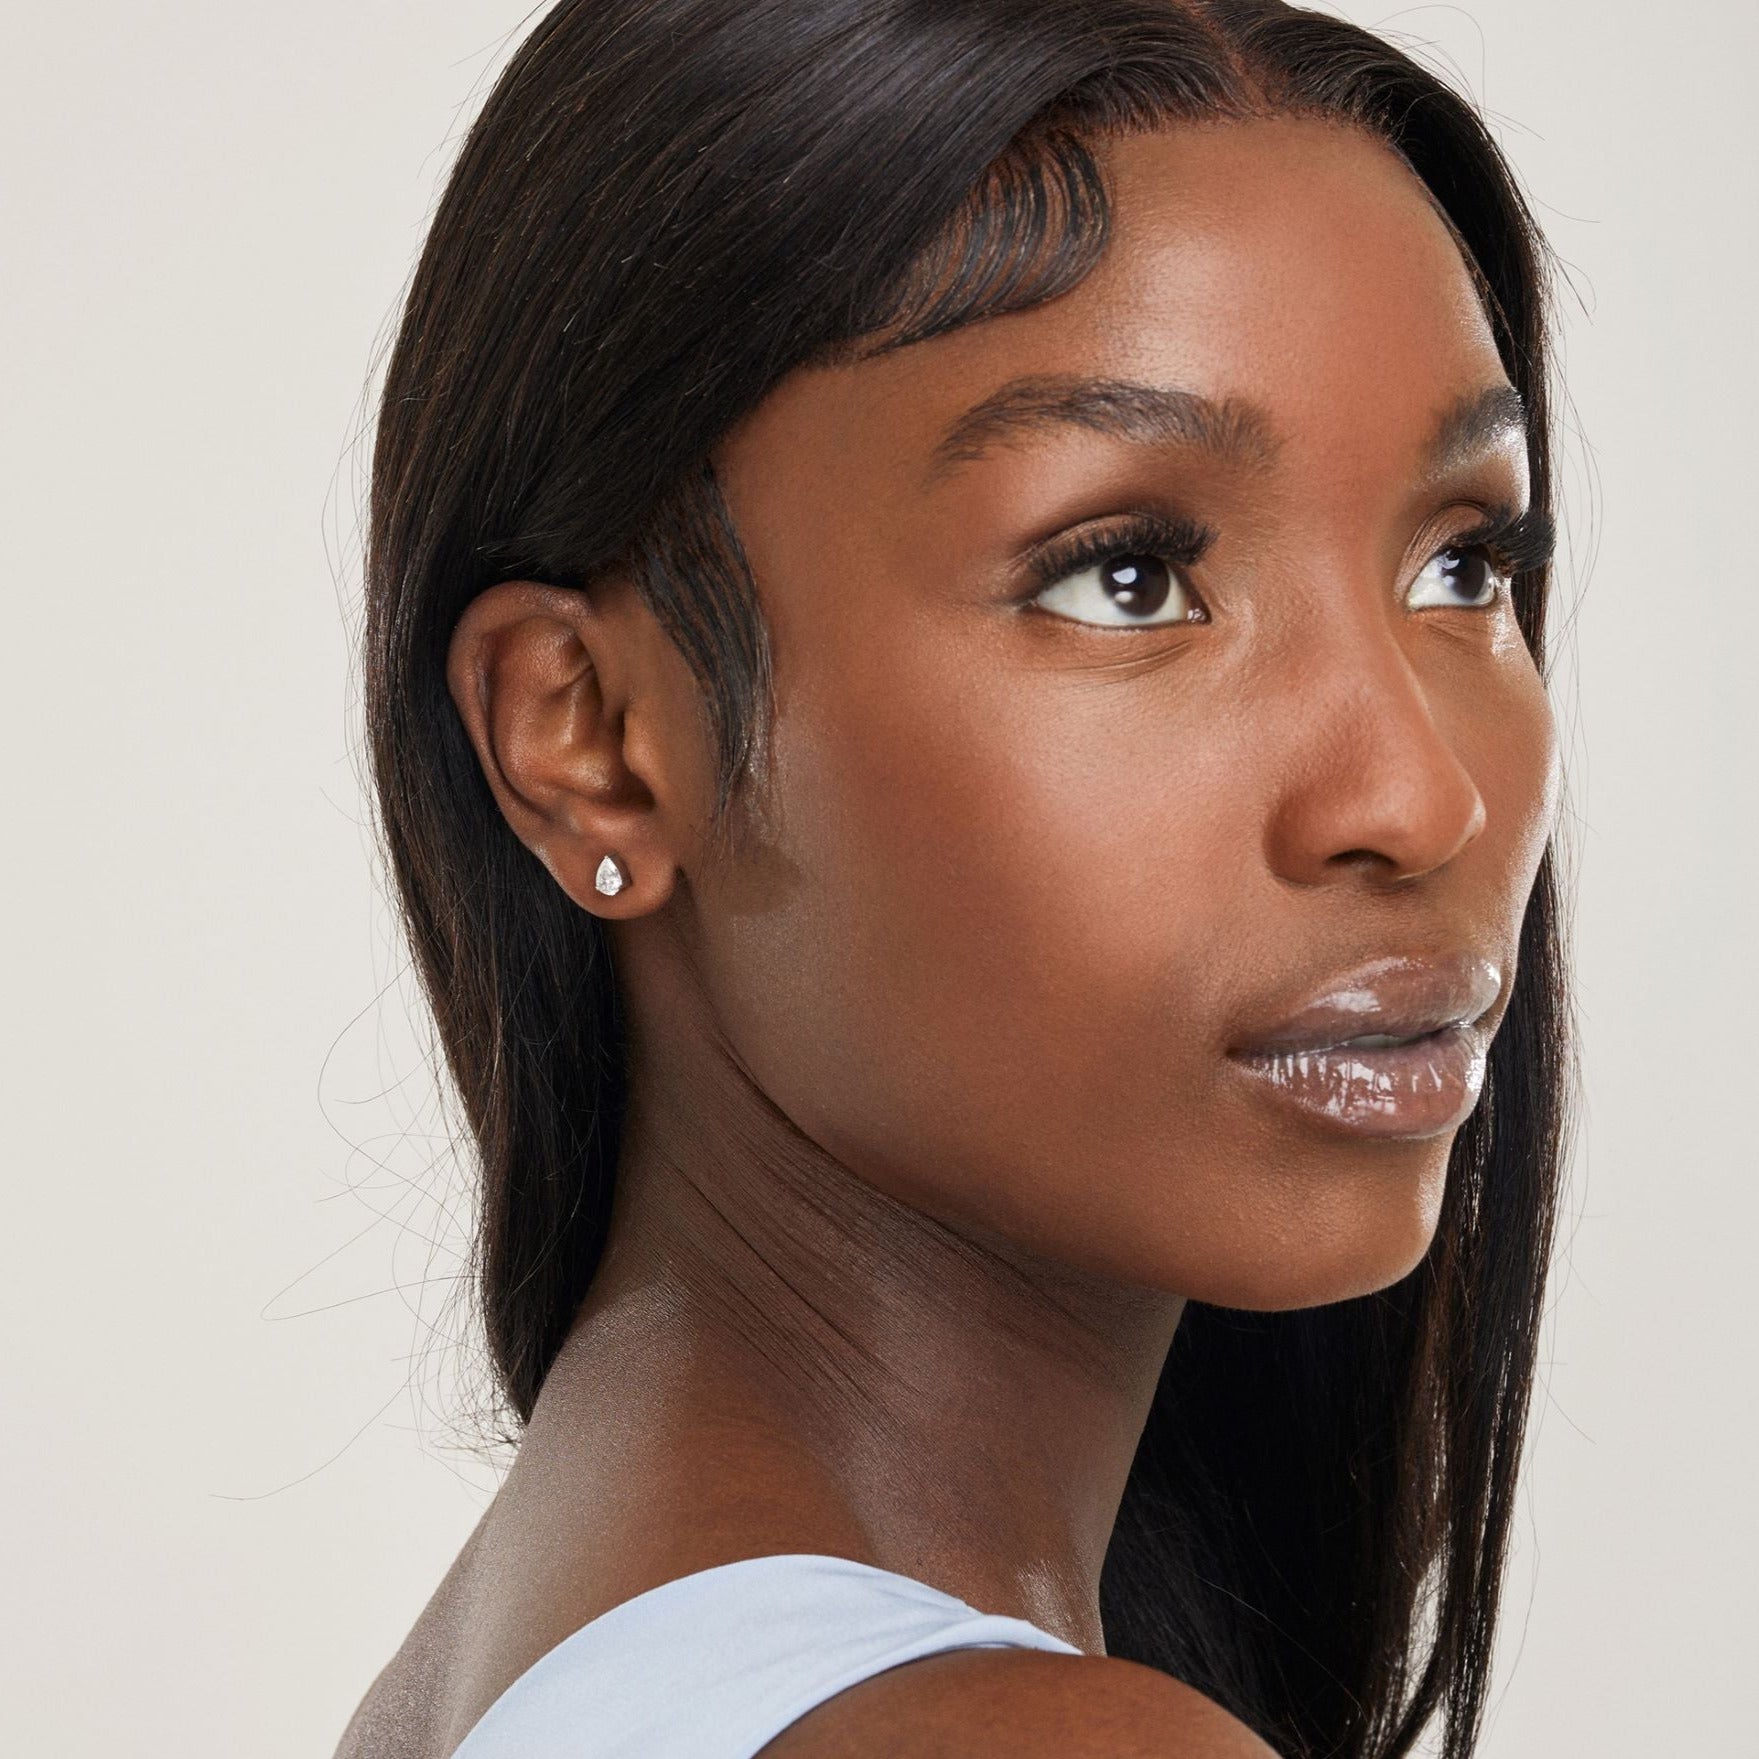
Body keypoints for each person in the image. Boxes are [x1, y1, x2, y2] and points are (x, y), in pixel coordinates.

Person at [335, 1, 1574, 1754]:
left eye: (1464, 563)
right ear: (591, 733)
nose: (1419, 794)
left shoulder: (504, 1675)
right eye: (1128, 577)